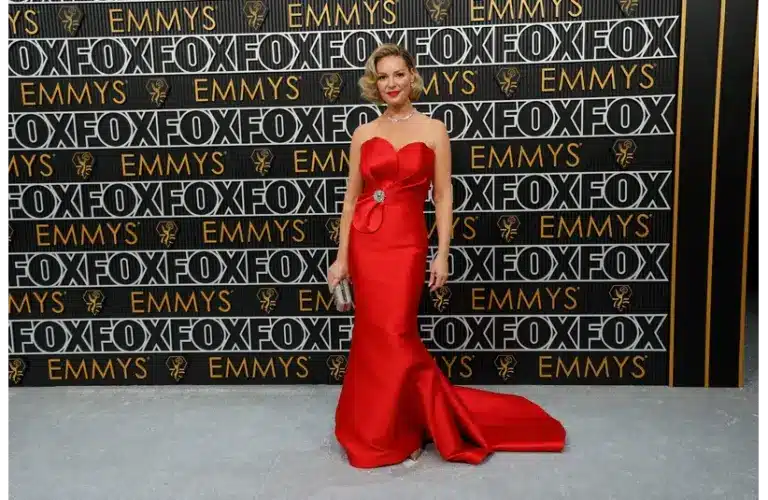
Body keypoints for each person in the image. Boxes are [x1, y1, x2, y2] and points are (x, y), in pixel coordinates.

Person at [327, 44, 567, 469]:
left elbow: (442, 196)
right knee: (373, 337)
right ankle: (379, 427)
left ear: (412, 76)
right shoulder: (363, 134)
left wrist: (442, 255)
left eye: (398, 74)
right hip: (367, 243)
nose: (391, 84)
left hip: (406, 245)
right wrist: (341, 258)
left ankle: (409, 423)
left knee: (397, 333)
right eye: (382, 77)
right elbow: (350, 201)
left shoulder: (435, 129)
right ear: (374, 83)